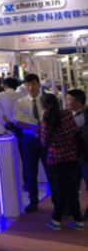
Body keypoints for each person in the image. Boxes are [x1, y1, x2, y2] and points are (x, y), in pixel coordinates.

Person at [40, 94, 84, 230]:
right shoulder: (67, 114)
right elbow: (74, 131)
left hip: (56, 158)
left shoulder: (47, 119)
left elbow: (44, 141)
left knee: (59, 189)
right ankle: (77, 219)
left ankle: (56, 219)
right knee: (72, 189)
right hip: (71, 156)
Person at [14, 73, 48, 213]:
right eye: (27, 85)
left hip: (46, 138)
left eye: (33, 84)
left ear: (38, 84)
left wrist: (43, 128)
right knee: (30, 171)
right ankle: (33, 200)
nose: (30, 87)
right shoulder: (20, 102)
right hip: (29, 139)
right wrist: (34, 128)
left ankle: (58, 202)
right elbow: (17, 122)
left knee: (51, 170)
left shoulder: (47, 100)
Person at [66, 89, 88, 218]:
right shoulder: (67, 115)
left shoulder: (86, 114)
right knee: (73, 183)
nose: (67, 102)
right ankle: (73, 210)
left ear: (79, 102)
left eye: (69, 99)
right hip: (72, 155)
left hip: (85, 154)